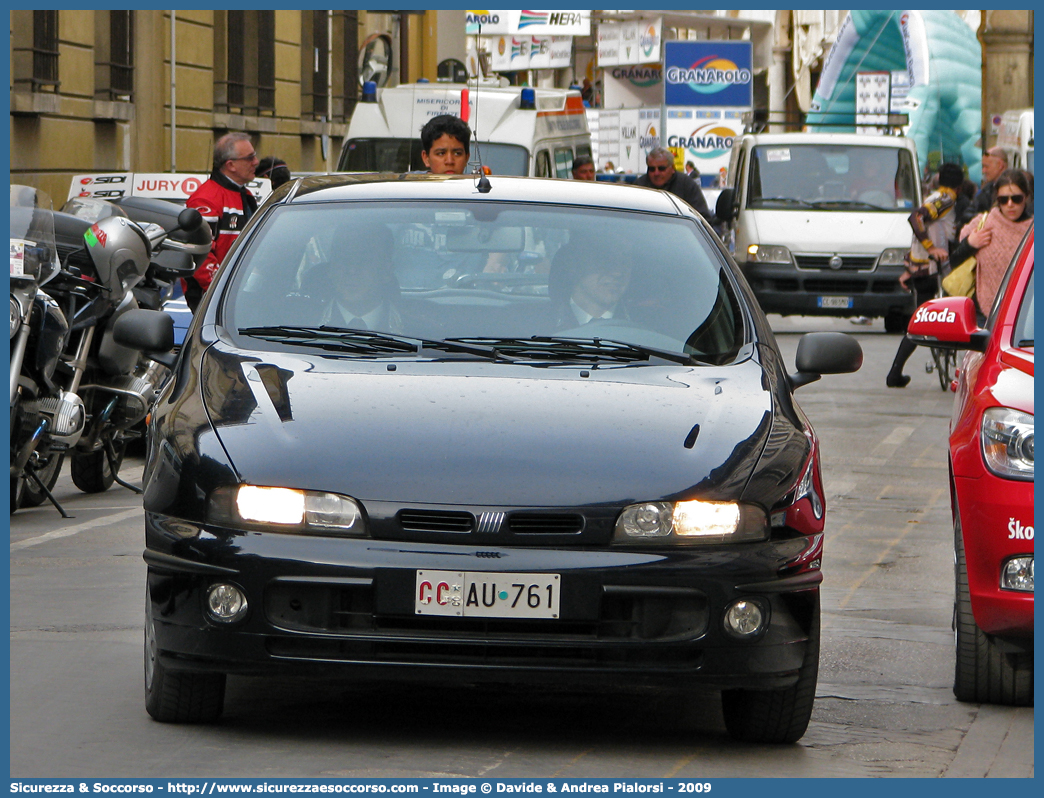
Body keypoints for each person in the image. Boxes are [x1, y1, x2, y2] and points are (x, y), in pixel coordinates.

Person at [886, 162, 965, 388]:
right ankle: (895, 373)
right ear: (959, 186)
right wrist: (932, 248)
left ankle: (895, 373)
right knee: (926, 321)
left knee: (920, 319)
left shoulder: (933, 196)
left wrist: (908, 267)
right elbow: (916, 218)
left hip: (920, 268)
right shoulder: (946, 200)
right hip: (932, 269)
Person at [184, 132, 260, 311]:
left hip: (240, 294)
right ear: (230, 165)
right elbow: (199, 254)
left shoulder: (245, 195)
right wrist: (223, 291)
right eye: (249, 158)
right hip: (214, 299)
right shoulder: (206, 199)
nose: (256, 162)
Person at [952, 168, 1033, 321]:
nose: (1010, 204)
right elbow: (953, 261)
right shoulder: (983, 224)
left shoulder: (1033, 229)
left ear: (1026, 197)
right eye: (1003, 199)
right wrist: (970, 244)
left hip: (1026, 316)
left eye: (1016, 199)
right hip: (983, 314)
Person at [636, 147, 716, 227]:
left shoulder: (687, 185)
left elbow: (703, 220)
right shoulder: (638, 187)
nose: (656, 173)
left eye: (661, 169)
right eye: (652, 169)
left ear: (673, 168)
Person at [960, 146, 1009, 226]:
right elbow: (967, 214)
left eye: (986, 166)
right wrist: (987, 218)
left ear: (1000, 165)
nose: (983, 171)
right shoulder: (987, 189)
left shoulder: (1019, 186)